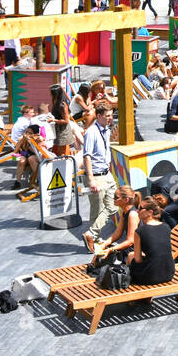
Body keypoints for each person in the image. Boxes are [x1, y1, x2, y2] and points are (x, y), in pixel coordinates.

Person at [80, 104, 115, 251]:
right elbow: (87, 156)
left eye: (111, 115)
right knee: (97, 209)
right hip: (96, 175)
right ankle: (94, 238)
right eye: (107, 116)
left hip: (106, 173)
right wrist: (91, 179)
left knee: (113, 206)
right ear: (99, 116)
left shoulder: (106, 130)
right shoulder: (91, 132)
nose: (110, 118)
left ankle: (91, 234)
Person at [128, 195, 175, 290]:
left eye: (140, 208)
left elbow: (138, 260)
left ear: (150, 212)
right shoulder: (166, 227)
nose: (137, 211)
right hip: (169, 273)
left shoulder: (140, 231)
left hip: (150, 277)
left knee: (130, 255)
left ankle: (132, 291)